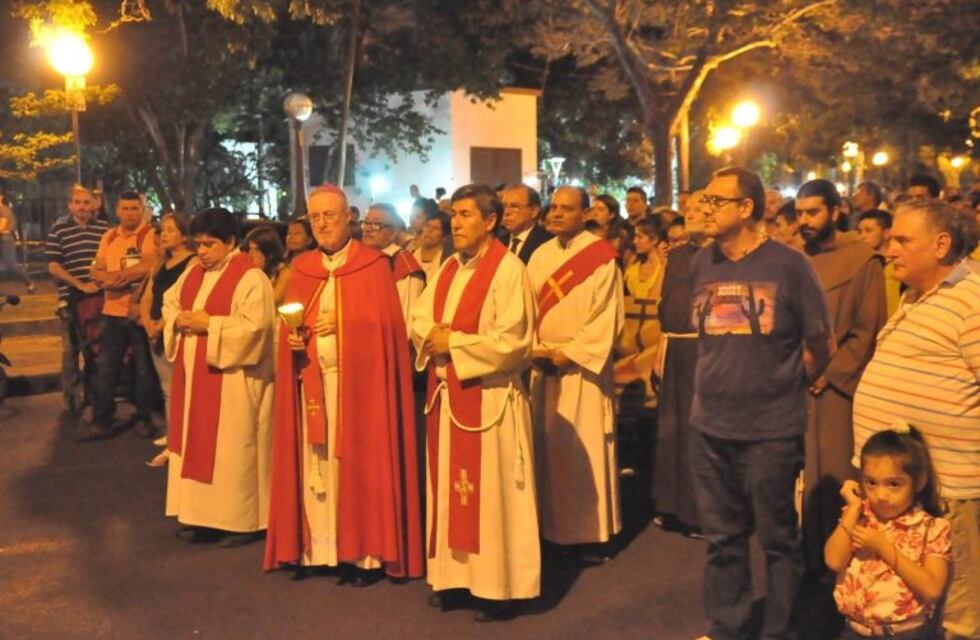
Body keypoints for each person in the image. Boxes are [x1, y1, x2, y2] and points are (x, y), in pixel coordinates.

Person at [689, 167, 834, 640]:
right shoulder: (701, 263)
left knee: (777, 540)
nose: (703, 210)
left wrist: (780, 386)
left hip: (770, 430)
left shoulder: (790, 266)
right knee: (723, 539)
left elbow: (820, 344)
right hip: (709, 427)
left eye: (714, 201)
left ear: (745, 208)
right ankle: (728, 624)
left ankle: (780, 629)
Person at [265, 184, 423, 584]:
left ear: (348, 217)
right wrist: (295, 339)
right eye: (314, 217)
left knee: (357, 466)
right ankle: (319, 549)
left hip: (360, 391)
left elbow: (387, 331)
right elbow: (289, 323)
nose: (321, 224)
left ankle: (363, 554)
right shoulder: (303, 268)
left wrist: (341, 324)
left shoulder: (372, 266)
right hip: (312, 384)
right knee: (316, 467)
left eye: (329, 216)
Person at [411, 184, 540, 620]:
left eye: (466, 215)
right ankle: (453, 579)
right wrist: (435, 337)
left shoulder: (509, 271)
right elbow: (420, 316)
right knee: (451, 490)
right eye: (455, 215)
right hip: (449, 397)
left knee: (492, 496)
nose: (456, 223)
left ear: (491, 222)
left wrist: (454, 342)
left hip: (490, 399)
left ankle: (496, 586)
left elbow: (515, 341)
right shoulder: (447, 267)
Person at [852, 199, 980, 639]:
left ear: (941, 245)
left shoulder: (973, 300)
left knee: (958, 612)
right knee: (908, 601)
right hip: (910, 487)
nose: (890, 250)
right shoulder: (917, 296)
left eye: (903, 240)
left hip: (952, 490)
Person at [162, 207, 276, 547]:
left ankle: (244, 522)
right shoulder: (194, 272)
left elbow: (257, 330)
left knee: (232, 451)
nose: (202, 252)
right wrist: (180, 319)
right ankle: (202, 518)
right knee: (197, 443)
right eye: (198, 244)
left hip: (235, 382)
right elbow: (171, 302)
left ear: (231, 242)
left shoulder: (251, 278)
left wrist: (209, 324)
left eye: (210, 245)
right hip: (196, 378)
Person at [795, 178, 887, 572]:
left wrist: (828, 373)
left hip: (836, 388)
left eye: (813, 213)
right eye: (799, 214)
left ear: (836, 212)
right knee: (801, 479)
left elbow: (867, 330)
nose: (804, 222)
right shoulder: (795, 258)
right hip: (796, 382)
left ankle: (842, 565)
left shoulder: (864, 260)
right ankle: (808, 558)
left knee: (835, 473)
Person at [527, 185, 624, 560]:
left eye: (566, 209)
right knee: (546, 448)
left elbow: (607, 315)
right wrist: (533, 347)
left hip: (581, 369)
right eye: (553, 208)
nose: (555, 214)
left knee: (583, 448)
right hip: (541, 362)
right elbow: (525, 306)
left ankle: (589, 534)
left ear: (585, 214)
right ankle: (549, 529)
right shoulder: (538, 255)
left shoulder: (600, 257)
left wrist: (572, 353)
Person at [825, 425, 950, 640]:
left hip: (907, 634)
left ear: (918, 482)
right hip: (855, 631)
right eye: (871, 483)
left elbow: (932, 588)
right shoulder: (858, 516)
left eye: (893, 484)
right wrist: (853, 509)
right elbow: (834, 561)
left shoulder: (931, 527)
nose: (880, 495)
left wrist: (881, 546)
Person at [83, 190, 157, 441]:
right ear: (117, 210)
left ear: (142, 210)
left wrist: (113, 279)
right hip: (111, 313)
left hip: (137, 313)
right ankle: (102, 419)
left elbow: (148, 266)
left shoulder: (148, 235)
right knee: (106, 368)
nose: (129, 213)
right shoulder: (109, 235)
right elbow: (97, 267)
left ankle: (146, 418)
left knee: (144, 369)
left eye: (134, 208)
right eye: (125, 208)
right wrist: (109, 276)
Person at [652, 189, 706, 536]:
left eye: (699, 207)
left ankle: (700, 513)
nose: (689, 212)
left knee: (697, 434)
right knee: (670, 432)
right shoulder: (678, 255)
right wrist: (662, 345)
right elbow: (667, 305)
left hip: (704, 353)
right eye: (687, 208)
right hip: (675, 351)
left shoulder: (722, 256)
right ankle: (670, 505)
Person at [46, 186, 109, 414]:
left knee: (97, 349)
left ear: (94, 205)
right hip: (71, 299)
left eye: (86, 203)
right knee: (70, 350)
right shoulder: (59, 229)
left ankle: (95, 394)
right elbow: (53, 265)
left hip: (99, 297)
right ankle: (71, 399)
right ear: (70, 205)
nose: (82, 207)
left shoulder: (104, 229)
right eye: (77, 202)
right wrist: (78, 284)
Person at [140, 213, 195, 466]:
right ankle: (173, 435)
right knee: (167, 389)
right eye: (163, 230)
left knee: (180, 388)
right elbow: (149, 295)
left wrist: (163, 324)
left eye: (171, 230)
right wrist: (147, 322)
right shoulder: (161, 262)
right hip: (155, 330)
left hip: (175, 330)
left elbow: (185, 300)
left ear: (184, 235)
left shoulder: (192, 263)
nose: (164, 235)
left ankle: (181, 440)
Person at [362, 202, 426, 334]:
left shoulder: (402, 265)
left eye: (376, 224)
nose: (368, 229)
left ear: (393, 233)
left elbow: (406, 325)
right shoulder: (364, 260)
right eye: (366, 223)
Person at [857, 209, 901, 317]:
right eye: (859, 231)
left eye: (868, 231)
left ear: (886, 233)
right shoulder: (861, 263)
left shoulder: (898, 264)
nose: (862, 236)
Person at [499, 184, 552, 264]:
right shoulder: (498, 241)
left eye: (514, 206)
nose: (506, 212)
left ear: (534, 211)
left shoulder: (547, 243)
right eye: (504, 206)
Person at [245, 225, 290, 305]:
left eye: (256, 249)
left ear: (268, 250)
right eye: (250, 249)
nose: (251, 254)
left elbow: (272, 300)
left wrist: (259, 271)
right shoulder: (249, 270)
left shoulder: (285, 272)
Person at [0, 195, 34, 292]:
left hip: (5, 239)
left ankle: (29, 282)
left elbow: (1, 228)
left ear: (1, 197)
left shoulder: (4, 210)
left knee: (11, 265)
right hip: (3, 238)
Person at [413, 208, 453, 282]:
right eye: (427, 226)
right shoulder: (412, 255)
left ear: (444, 236)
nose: (429, 230)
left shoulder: (447, 260)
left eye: (435, 228)